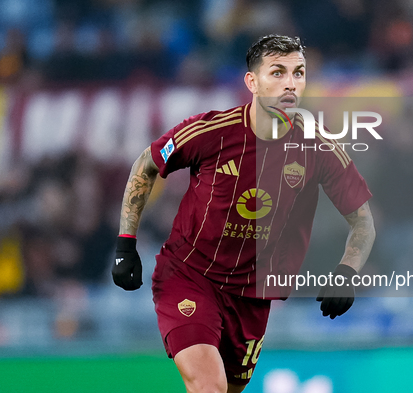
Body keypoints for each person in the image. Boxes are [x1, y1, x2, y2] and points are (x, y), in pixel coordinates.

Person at [112, 35, 376, 393]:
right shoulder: (210, 132)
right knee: (210, 387)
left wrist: (347, 271)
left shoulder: (319, 146)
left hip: (253, 297)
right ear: (252, 82)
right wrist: (126, 243)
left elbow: (362, 221)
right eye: (278, 72)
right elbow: (146, 164)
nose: (290, 84)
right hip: (190, 276)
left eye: (298, 73)